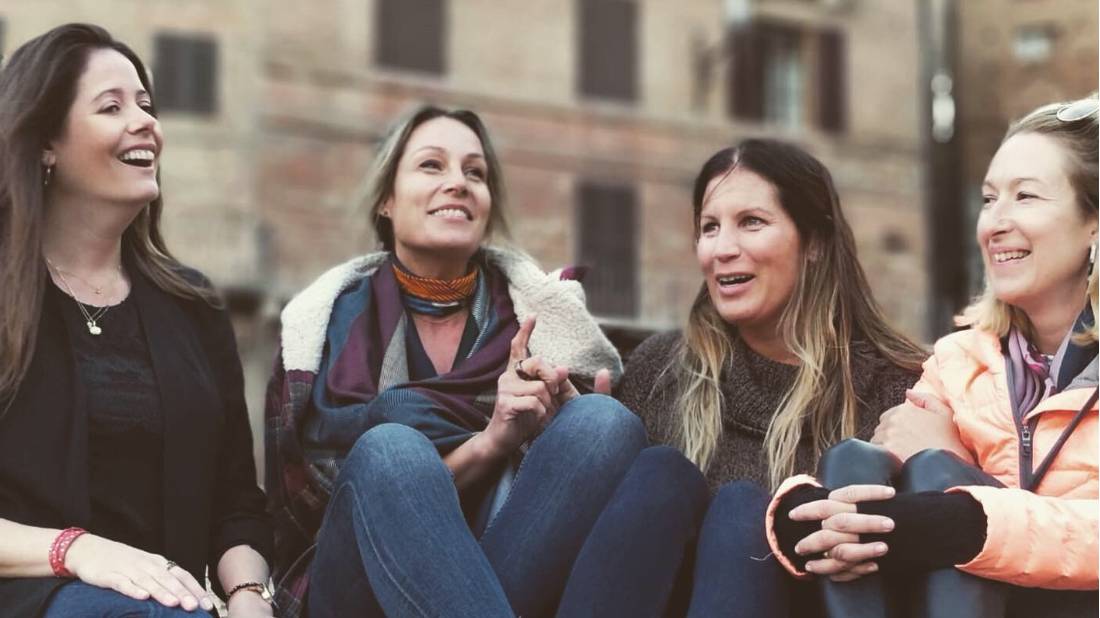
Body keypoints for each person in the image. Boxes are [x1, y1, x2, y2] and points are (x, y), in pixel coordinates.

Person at [265, 104, 646, 618]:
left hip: (504, 570)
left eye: (475, 172)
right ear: (386, 200)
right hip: (356, 585)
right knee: (391, 452)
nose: (458, 183)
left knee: (603, 423)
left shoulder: (540, 328)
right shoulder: (324, 328)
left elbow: (564, 511)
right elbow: (307, 508)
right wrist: (492, 442)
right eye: (431, 165)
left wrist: (548, 434)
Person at [554, 138, 927, 617]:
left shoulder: (895, 389)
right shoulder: (660, 369)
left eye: (751, 222)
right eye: (709, 227)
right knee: (662, 472)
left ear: (813, 242)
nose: (722, 249)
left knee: (744, 511)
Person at [769, 96, 1099, 618]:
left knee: (942, 472)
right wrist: (800, 518)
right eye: (990, 199)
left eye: (1026, 197)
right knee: (856, 461)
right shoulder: (957, 359)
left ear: (1094, 225)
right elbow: (885, 479)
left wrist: (961, 501)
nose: (995, 222)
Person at [0, 24, 274, 618]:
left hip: (179, 607)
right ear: (46, 142)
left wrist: (249, 595)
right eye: (112, 106)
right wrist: (76, 551)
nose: (146, 121)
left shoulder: (193, 305)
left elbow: (236, 502)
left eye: (147, 105)